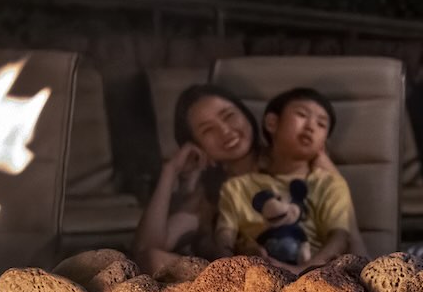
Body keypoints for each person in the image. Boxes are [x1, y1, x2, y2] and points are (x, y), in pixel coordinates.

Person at [217, 87, 362, 272]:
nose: (310, 126)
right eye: (302, 115)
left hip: (314, 279)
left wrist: (303, 270)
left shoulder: (330, 184)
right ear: (272, 123)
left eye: (321, 124)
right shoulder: (236, 187)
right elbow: (224, 237)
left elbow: (340, 237)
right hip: (252, 275)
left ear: (323, 142)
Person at [134, 85, 263, 274]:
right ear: (197, 146)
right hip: (241, 285)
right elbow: (145, 251)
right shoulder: (208, 199)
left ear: (245, 113)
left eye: (229, 116)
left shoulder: (291, 160)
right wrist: (169, 171)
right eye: (208, 130)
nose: (225, 131)